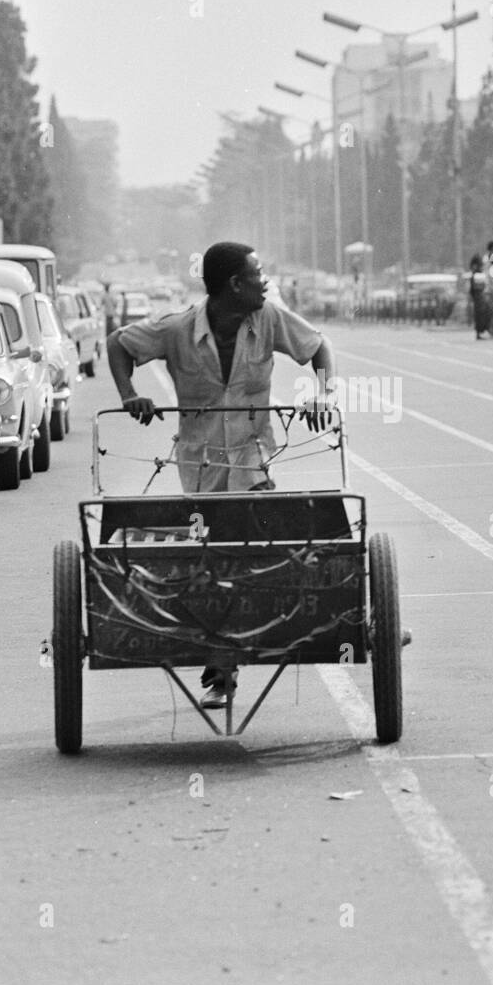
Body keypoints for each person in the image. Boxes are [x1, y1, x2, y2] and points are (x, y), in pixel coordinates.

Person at [106, 241, 335, 709]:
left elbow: (319, 348)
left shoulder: (268, 318)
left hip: (252, 457)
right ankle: (222, 660)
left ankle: (257, 646)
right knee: (216, 558)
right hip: (202, 465)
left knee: (258, 544)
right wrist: (130, 394)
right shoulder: (176, 329)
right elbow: (118, 345)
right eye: (258, 273)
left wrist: (322, 394)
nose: (265, 281)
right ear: (234, 285)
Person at [468, 254, 492, 339]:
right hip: (479, 298)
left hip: (478, 298)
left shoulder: (475, 274)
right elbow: (480, 287)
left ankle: (481, 332)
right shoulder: (477, 274)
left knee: (481, 315)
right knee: (481, 316)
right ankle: (481, 332)